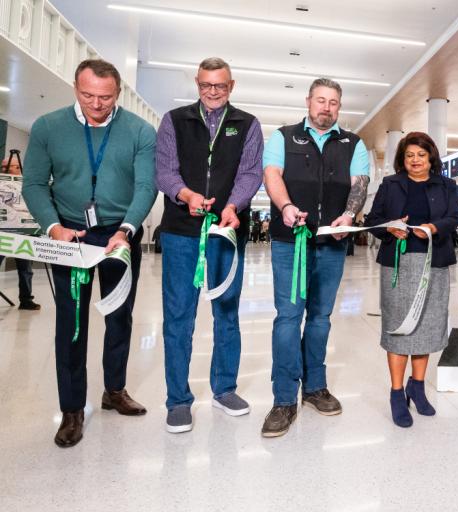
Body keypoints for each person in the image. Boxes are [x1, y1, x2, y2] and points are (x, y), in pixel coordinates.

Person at [22, 59, 157, 447]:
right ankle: (71, 409)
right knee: (72, 323)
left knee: (120, 317)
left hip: (118, 236)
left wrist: (126, 231)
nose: (97, 104)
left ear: (118, 94)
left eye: (106, 97)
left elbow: (146, 186)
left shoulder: (139, 131)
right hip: (69, 236)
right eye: (88, 95)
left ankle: (114, 390)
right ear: (74, 89)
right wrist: (54, 227)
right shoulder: (48, 127)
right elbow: (33, 184)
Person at [154, 57, 264, 433]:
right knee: (178, 316)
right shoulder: (175, 120)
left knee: (227, 313)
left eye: (219, 86)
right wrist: (184, 194)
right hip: (181, 229)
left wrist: (233, 206)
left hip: (227, 231)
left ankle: (224, 389)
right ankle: (178, 400)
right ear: (196, 84)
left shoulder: (247, 124)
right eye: (205, 85)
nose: (212, 92)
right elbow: (164, 169)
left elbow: (251, 172)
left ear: (231, 86)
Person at [260, 78, 370, 437]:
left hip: (331, 242)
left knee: (321, 317)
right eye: (320, 100)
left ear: (339, 107)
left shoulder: (352, 143)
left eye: (333, 102)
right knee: (288, 317)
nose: (326, 107)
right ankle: (283, 398)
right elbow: (272, 175)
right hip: (290, 240)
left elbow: (359, 185)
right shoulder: (284, 136)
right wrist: (286, 206)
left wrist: (350, 217)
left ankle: (314, 387)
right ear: (309, 102)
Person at [365, 132, 458, 427]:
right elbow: (372, 221)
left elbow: (454, 218)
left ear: (431, 156)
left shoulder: (447, 185)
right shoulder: (391, 184)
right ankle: (396, 393)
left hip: (435, 263)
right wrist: (389, 228)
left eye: (420, 154)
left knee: (427, 327)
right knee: (399, 327)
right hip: (398, 264)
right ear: (401, 160)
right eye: (409, 156)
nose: (415, 160)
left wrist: (433, 226)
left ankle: (416, 387)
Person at [1, 155, 40, 310]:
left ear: (18, 168)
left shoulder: (28, 184)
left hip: (23, 232)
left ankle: (26, 300)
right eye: (4, 167)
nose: (6, 170)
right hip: (2, 232)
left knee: (25, 269)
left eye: (9, 167)